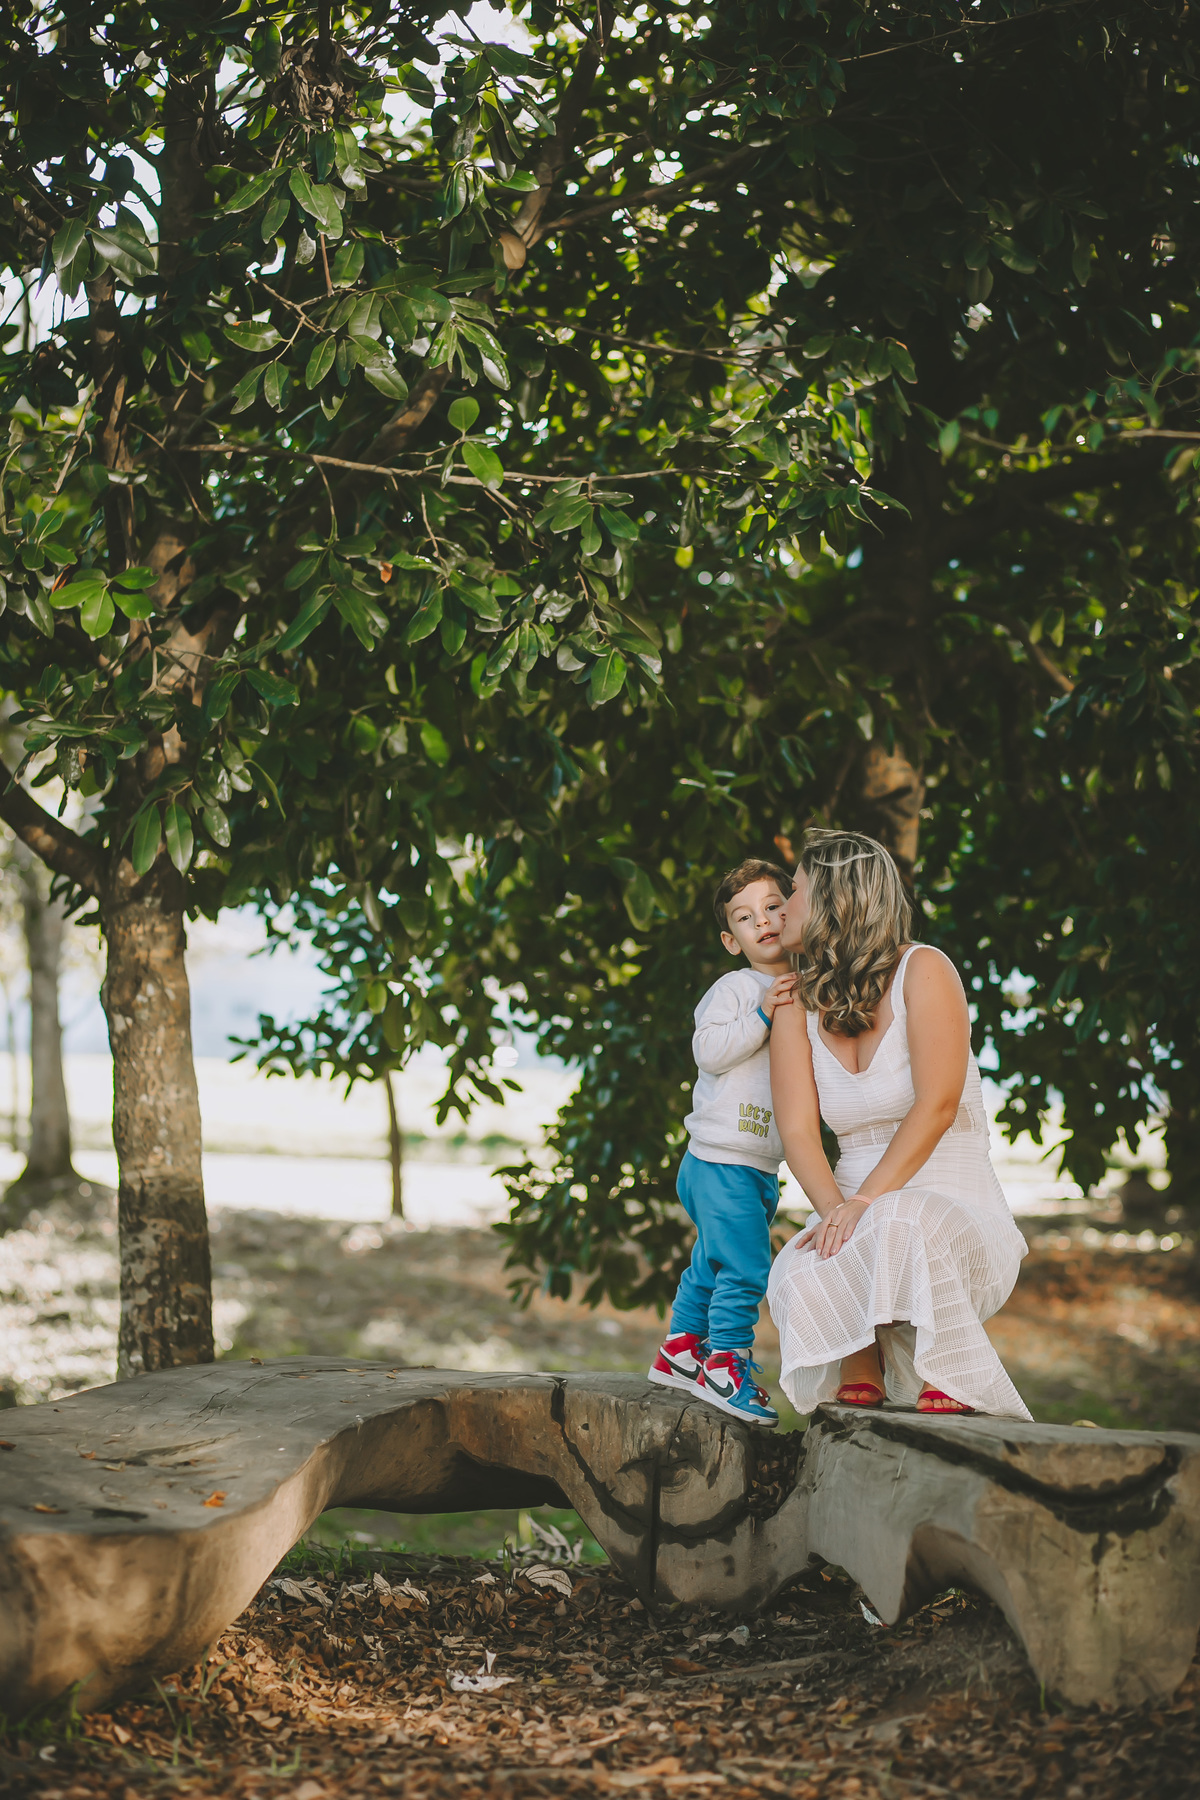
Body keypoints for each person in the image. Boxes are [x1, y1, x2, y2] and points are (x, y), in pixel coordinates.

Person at [766, 830, 1031, 1420]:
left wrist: (864, 1203)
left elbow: (937, 1106)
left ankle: (949, 1369)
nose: (783, 905)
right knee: (798, 1266)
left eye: (795, 890)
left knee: (901, 1217)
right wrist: (836, 1217)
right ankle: (861, 1355)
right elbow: (799, 1133)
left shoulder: (924, 969)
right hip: (852, 1208)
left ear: (834, 899)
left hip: (953, 1212)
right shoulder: (794, 1003)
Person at [648, 859, 797, 1426]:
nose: (763, 921)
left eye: (773, 907)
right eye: (745, 917)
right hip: (720, 1158)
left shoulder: (800, 987)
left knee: (713, 1262)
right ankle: (726, 1362)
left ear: (794, 910)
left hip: (755, 1162)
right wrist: (763, 1012)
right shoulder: (737, 988)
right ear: (731, 941)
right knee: (746, 1266)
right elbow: (708, 1052)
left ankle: (681, 1349)